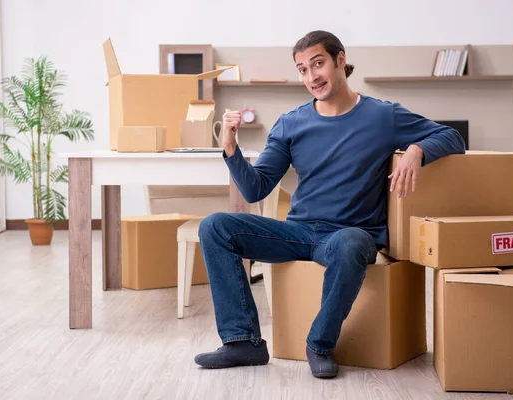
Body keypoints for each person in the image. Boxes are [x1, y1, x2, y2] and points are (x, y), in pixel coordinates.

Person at [193, 30, 465, 378]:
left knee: (350, 242)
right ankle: (242, 341)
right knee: (215, 225)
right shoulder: (291, 123)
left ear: (340, 60)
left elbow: (452, 136)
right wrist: (229, 147)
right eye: (302, 69)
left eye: (317, 64)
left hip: (350, 235)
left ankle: (320, 344)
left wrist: (417, 149)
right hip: (297, 231)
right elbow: (255, 189)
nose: (311, 77)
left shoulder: (383, 116)